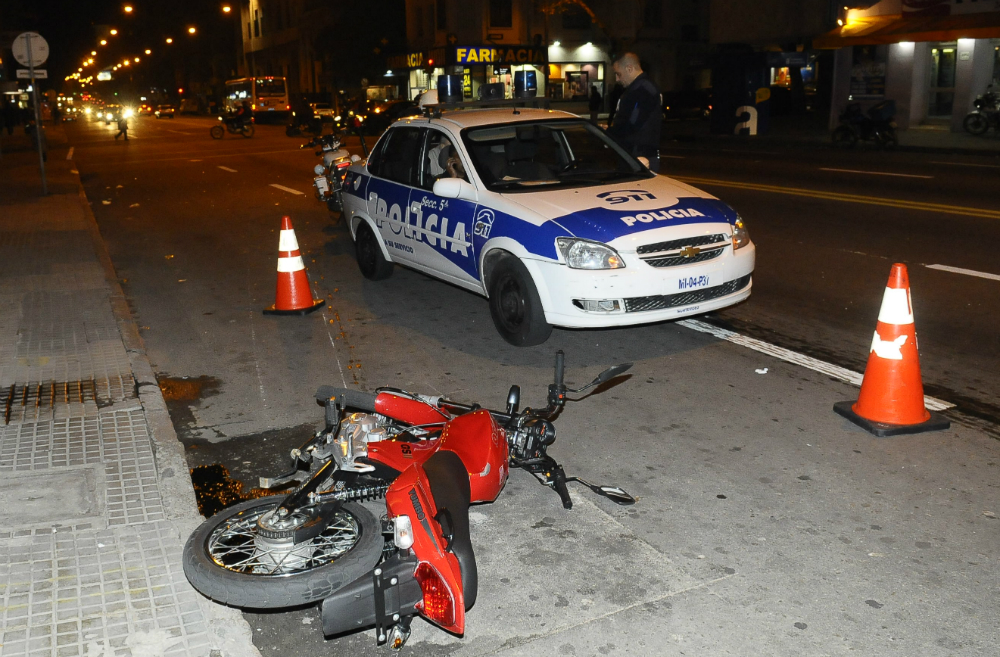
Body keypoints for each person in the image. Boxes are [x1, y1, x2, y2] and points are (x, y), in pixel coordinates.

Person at [606, 53, 662, 172]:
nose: (617, 79)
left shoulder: (642, 90)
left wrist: (609, 133)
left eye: (618, 74)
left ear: (629, 69)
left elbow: (632, 124)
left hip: (639, 156)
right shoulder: (640, 88)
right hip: (635, 154)